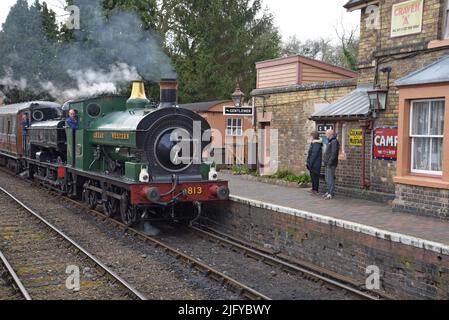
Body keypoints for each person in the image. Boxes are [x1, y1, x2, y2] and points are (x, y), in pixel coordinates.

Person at [323, 129, 340, 200]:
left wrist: (329, 163)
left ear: (330, 134)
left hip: (331, 164)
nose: (325, 135)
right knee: (327, 178)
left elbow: (334, 154)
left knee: (330, 179)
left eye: (326, 134)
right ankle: (328, 191)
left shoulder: (334, 142)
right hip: (327, 163)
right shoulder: (330, 141)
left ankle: (331, 193)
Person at [306, 131, 323, 196]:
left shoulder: (316, 144)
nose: (311, 137)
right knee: (312, 177)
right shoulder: (314, 143)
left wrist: (310, 163)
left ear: (314, 136)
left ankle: (316, 190)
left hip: (315, 164)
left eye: (311, 136)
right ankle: (313, 189)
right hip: (313, 163)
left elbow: (314, 154)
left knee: (315, 177)